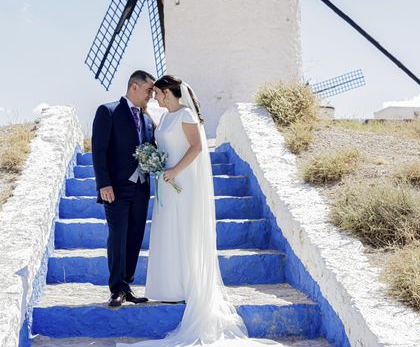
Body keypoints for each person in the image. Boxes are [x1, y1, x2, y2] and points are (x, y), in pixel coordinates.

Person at [118, 75, 285, 347]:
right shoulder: (168, 116)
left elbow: (196, 147)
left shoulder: (185, 114)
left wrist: (174, 171)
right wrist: (149, 118)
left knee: (184, 229)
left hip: (182, 180)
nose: (154, 98)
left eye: (157, 94)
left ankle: (187, 285)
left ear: (167, 92)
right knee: (169, 229)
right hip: (168, 182)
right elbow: (166, 134)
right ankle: (169, 286)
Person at [91, 70, 156, 308]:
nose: (152, 95)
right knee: (117, 237)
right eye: (149, 90)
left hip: (141, 188)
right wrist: (103, 184)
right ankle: (116, 289)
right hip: (115, 189)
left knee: (135, 237)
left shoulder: (148, 120)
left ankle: (127, 285)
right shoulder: (108, 111)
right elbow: (98, 150)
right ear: (134, 87)